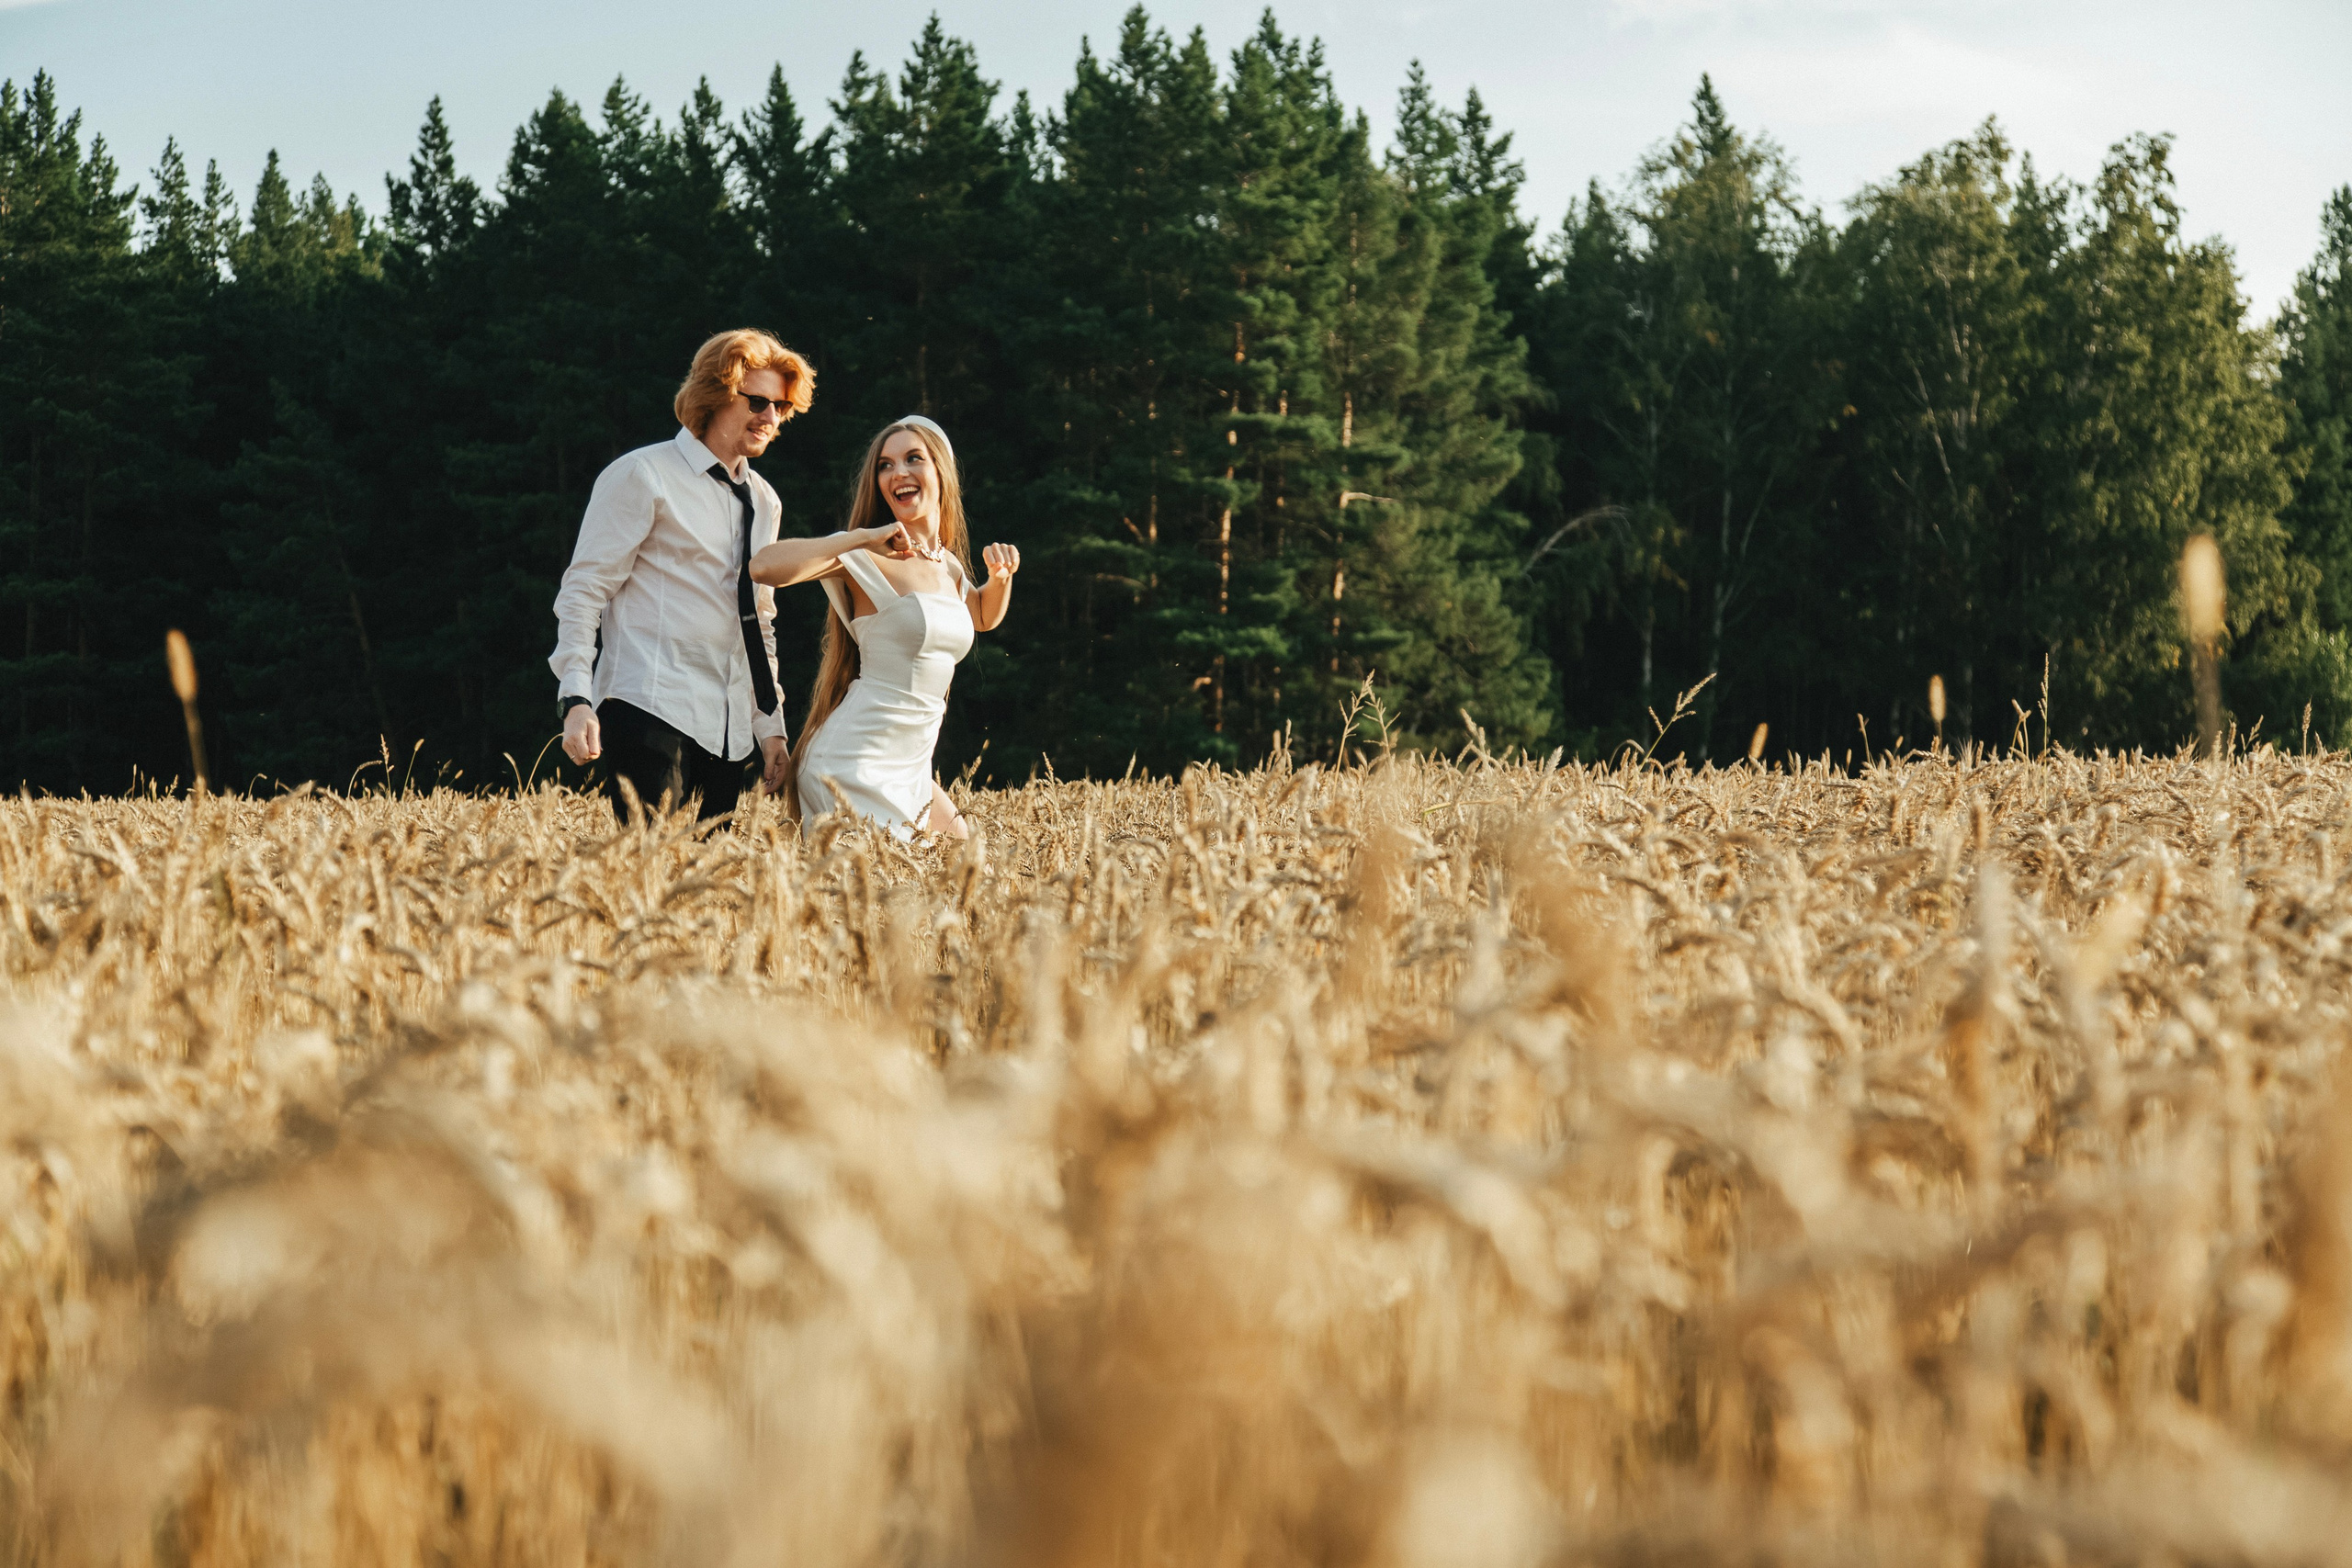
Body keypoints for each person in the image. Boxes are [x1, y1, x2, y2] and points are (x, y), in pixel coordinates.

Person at [550, 329, 811, 822]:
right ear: (715, 394)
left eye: (780, 408)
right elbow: (583, 593)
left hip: (730, 733)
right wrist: (577, 699)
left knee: (709, 893)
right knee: (648, 880)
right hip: (650, 706)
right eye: (757, 401)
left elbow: (758, 622)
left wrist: (770, 726)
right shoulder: (642, 475)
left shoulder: (766, 501)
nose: (770, 418)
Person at [749, 415, 1019, 839]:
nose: (899, 473)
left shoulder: (946, 565)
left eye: (914, 458)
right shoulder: (866, 556)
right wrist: (858, 538)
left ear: (941, 473)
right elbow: (763, 566)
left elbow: (981, 617)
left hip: (911, 765)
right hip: (851, 761)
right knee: (874, 900)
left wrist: (999, 580)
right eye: (885, 465)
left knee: (968, 863)